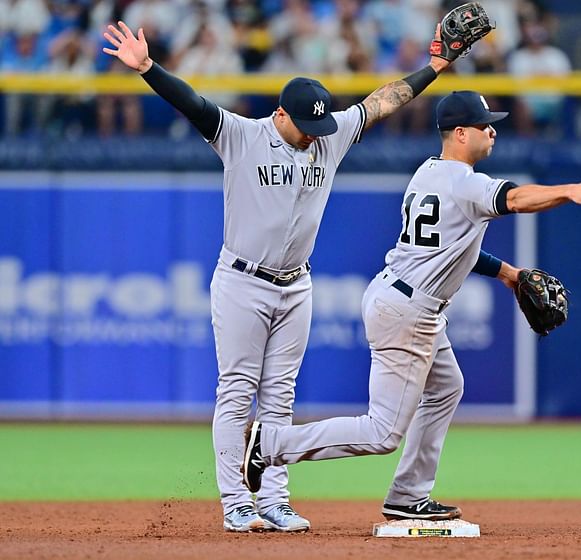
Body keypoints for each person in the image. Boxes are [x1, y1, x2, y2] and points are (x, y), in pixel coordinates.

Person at [102, 19, 455, 533]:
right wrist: (149, 69)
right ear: (281, 113)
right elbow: (193, 103)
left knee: (281, 396)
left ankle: (273, 498)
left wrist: (435, 69)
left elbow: (382, 101)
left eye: (322, 128)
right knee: (238, 389)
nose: (316, 137)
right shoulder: (241, 135)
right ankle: (235, 501)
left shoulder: (327, 138)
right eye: (307, 128)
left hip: (297, 284)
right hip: (242, 280)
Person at [241, 91, 581, 522]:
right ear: (460, 133)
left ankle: (408, 496)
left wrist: (510, 275)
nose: (492, 130)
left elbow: (456, 250)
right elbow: (515, 199)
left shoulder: (430, 172)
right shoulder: (465, 182)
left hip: (400, 297)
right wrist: (571, 190)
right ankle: (270, 445)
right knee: (382, 432)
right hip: (410, 312)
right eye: (484, 124)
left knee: (446, 387)